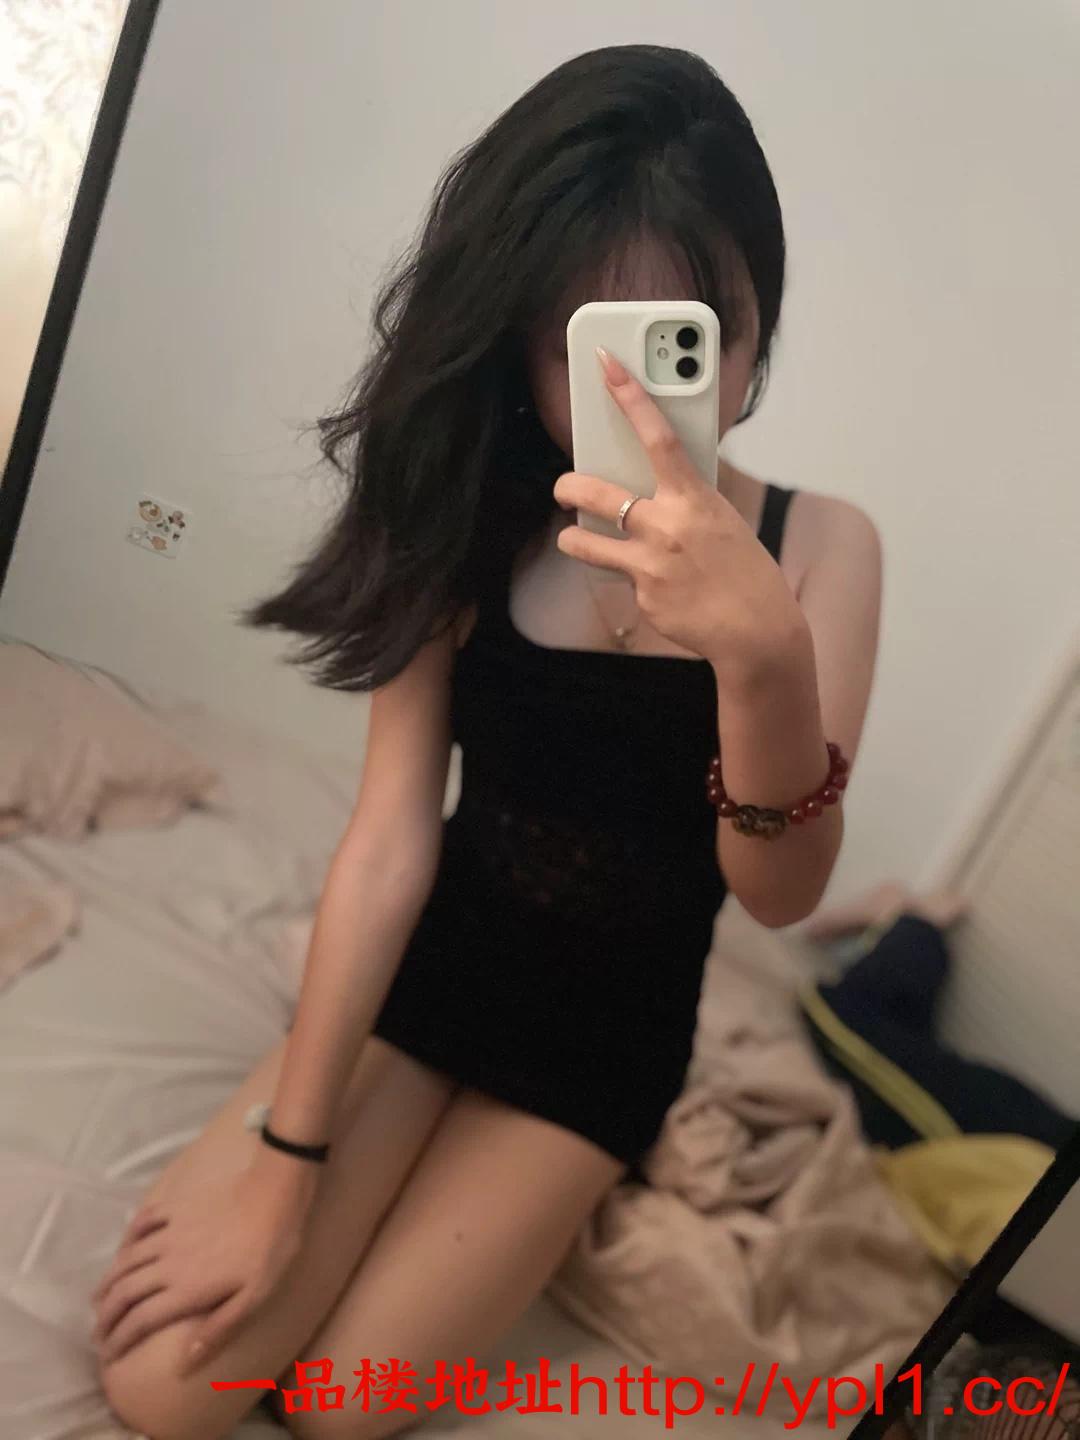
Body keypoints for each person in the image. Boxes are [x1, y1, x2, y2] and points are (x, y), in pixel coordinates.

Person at [92, 44, 882, 1440]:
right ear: (523, 337)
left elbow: (777, 894)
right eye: (590, 344)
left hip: (609, 1039)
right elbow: (390, 833)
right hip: (440, 959)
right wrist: (287, 1160)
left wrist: (763, 661)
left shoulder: (823, 547)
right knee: (166, 1388)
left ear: (758, 330)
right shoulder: (470, 502)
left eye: (694, 338)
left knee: (339, 1408)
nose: (638, 397)